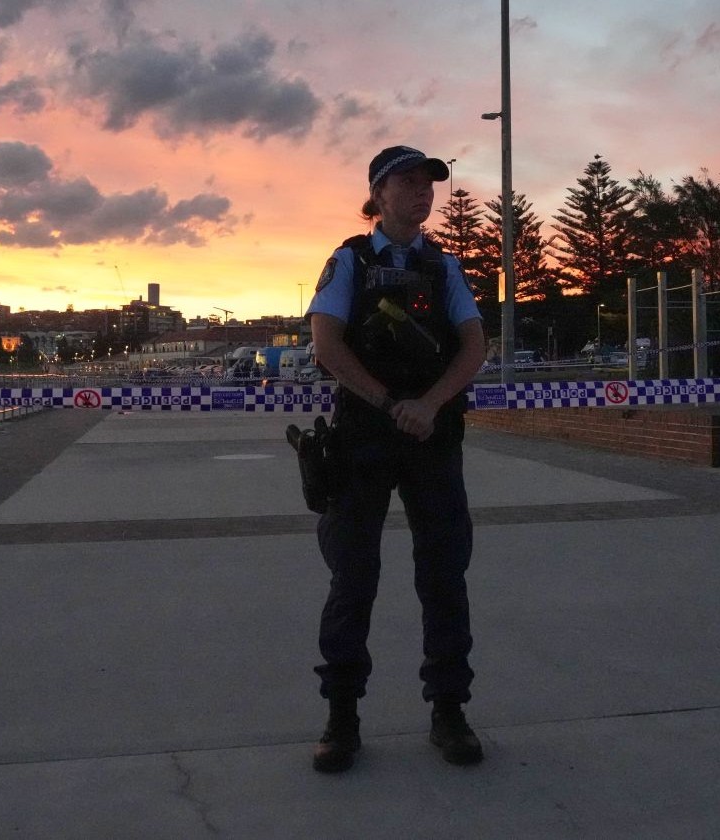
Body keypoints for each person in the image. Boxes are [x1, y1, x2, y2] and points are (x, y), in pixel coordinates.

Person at [303, 146, 489, 773]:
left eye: (427, 183)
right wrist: (389, 404)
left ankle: (449, 711)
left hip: (432, 436)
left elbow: (474, 347)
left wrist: (429, 404)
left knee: (445, 576)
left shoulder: (444, 266)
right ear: (378, 194)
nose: (422, 192)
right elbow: (326, 346)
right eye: (407, 182)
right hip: (364, 437)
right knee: (353, 578)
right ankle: (341, 718)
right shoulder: (349, 261)